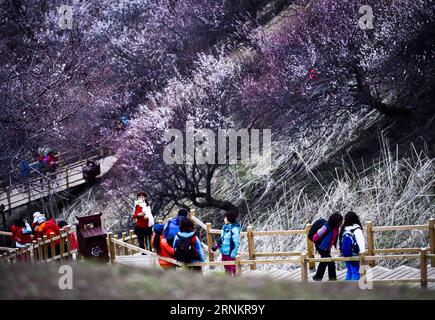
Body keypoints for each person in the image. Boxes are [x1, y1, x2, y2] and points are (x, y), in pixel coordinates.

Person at [312, 212, 343, 281]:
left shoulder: (336, 228)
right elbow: (315, 238)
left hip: (327, 249)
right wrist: (320, 244)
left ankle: (317, 277)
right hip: (321, 248)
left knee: (324, 262)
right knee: (331, 263)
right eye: (339, 221)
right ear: (335, 221)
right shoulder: (325, 228)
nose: (341, 223)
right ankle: (333, 280)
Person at [212, 210, 241, 276]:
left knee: (233, 268)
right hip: (224, 252)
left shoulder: (235, 229)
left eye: (225, 218)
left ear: (229, 219)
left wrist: (233, 254)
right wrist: (216, 246)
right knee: (226, 268)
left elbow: (236, 243)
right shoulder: (224, 227)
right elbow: (222, 239)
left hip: (230, 253)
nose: (224, 219)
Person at [340, 211, 366, 281]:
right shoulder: (357, 229)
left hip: (346, 252)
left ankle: (347, 288)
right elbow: (361, 242)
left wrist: (341, 251)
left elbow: (340, 241)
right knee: (355, 271)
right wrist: (362, 252)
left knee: (349, 271)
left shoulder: (344, 229)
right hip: (354, 253)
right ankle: (355, 289)